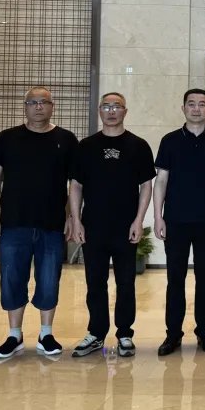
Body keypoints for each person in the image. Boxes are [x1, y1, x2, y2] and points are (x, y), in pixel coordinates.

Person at [0, 87, 78, 360]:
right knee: (12, 279)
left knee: (49, 280)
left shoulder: (66, 139)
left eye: (44, 102)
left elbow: (74, 183)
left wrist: (72, 216)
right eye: (32, 102)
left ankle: (46, 334)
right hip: (14, 223)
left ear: (52, 106)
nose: (38, 107)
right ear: (25, 107)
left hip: (52, 224)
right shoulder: (7, 138)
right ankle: (14, 335)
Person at [68, 92, 155, 359]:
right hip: (93, 226)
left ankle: (125, 333)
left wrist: (139, 220)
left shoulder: (138, 145)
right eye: (107, 106)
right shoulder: (85, 146)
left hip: (125, 226)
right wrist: (76, 220)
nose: (112, 111)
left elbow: (146, 185)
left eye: (117, 106)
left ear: (125, 111)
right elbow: (76, 185)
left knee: (126, 282)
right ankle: (96, 333)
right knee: (95, 281)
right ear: (100, 111)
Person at [154, 89, 205, 356]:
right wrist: (158, 216)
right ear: (183, 108)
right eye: (191, 104)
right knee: (175, 278)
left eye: (201, 104)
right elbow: (161, 181)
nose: (196, 109)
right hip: (175, 221)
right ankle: (173, 334)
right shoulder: (170, 141)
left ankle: (204, 332)